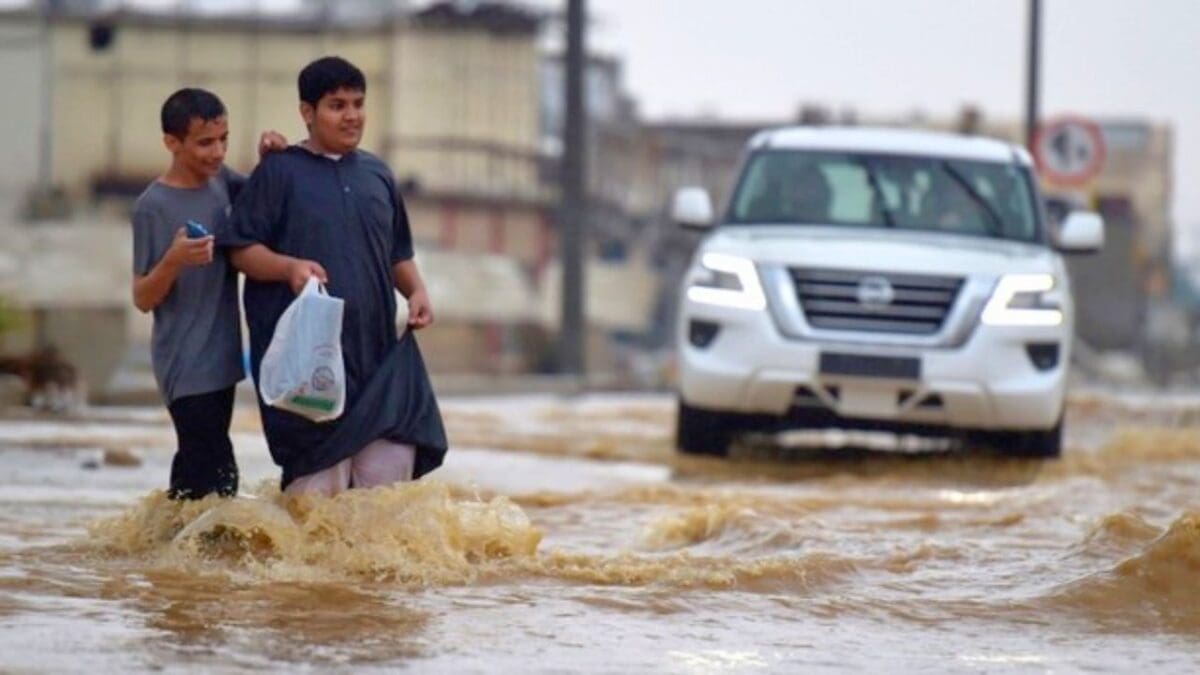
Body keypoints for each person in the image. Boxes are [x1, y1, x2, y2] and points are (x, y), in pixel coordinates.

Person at [228, 56, 448, 497]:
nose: (352, 116)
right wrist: (288, 268)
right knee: (315, 510)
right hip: (309, 367)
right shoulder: (278, 171)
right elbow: (240, 250)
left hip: (378, 364)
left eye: (358, 103)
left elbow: (397, 253)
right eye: (337, 105)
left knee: (385, 507)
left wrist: (417, 290)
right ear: (307, 113)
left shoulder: (378, 174)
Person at [130, 88, 286, 499]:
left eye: (223, 140)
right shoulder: (153, 206)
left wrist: (270, 159)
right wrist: (174, 259)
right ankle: (199, 554)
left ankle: (160, 555)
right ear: (172, 143)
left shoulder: (222, 182)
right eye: (204, 143)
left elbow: (262, 198)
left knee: (194, 472)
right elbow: (143, 297)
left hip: (222, 359)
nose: (217, 152)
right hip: (184, 362)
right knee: (218, 475)